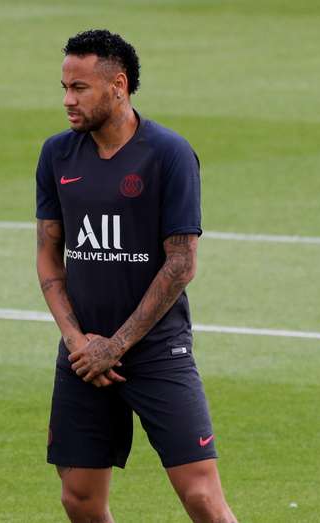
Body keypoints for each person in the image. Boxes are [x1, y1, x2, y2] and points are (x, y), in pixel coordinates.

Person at [35, 29, 237, 523]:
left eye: (79, 88)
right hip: (84, 355)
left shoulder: (168, 154)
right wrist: (78, 341)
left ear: (119, 86)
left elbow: (181, 263)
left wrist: (116, 345)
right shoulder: (57, 155)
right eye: (64, 86)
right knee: (78, 499)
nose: (67, 100)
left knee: (202, 498)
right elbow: (48, 255)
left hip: (156, 351)